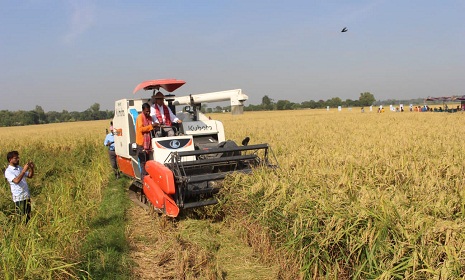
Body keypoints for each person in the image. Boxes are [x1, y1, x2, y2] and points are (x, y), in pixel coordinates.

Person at [4, 151, 34, 223]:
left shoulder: (19, 168)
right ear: (10, 160)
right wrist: (23, 170)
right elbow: (16, 181)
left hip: (26, 196)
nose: (18, 159)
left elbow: (30, 176)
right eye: (16, 158)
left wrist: (31, 169)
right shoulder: (8, 171)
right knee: (21, 217)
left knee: (28, 216)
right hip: (19, 197)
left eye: (18, 157)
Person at [136, 103, 157, 177]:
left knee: (148, 163)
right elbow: (141, 129)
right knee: (143, 164)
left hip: (148, 144)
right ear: (143, 110)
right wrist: (151, 126)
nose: (148, 113)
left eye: (149, 111)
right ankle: (144, 181)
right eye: (146, 111)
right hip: (141, 144)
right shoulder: (140, 117)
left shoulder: (150, 118)